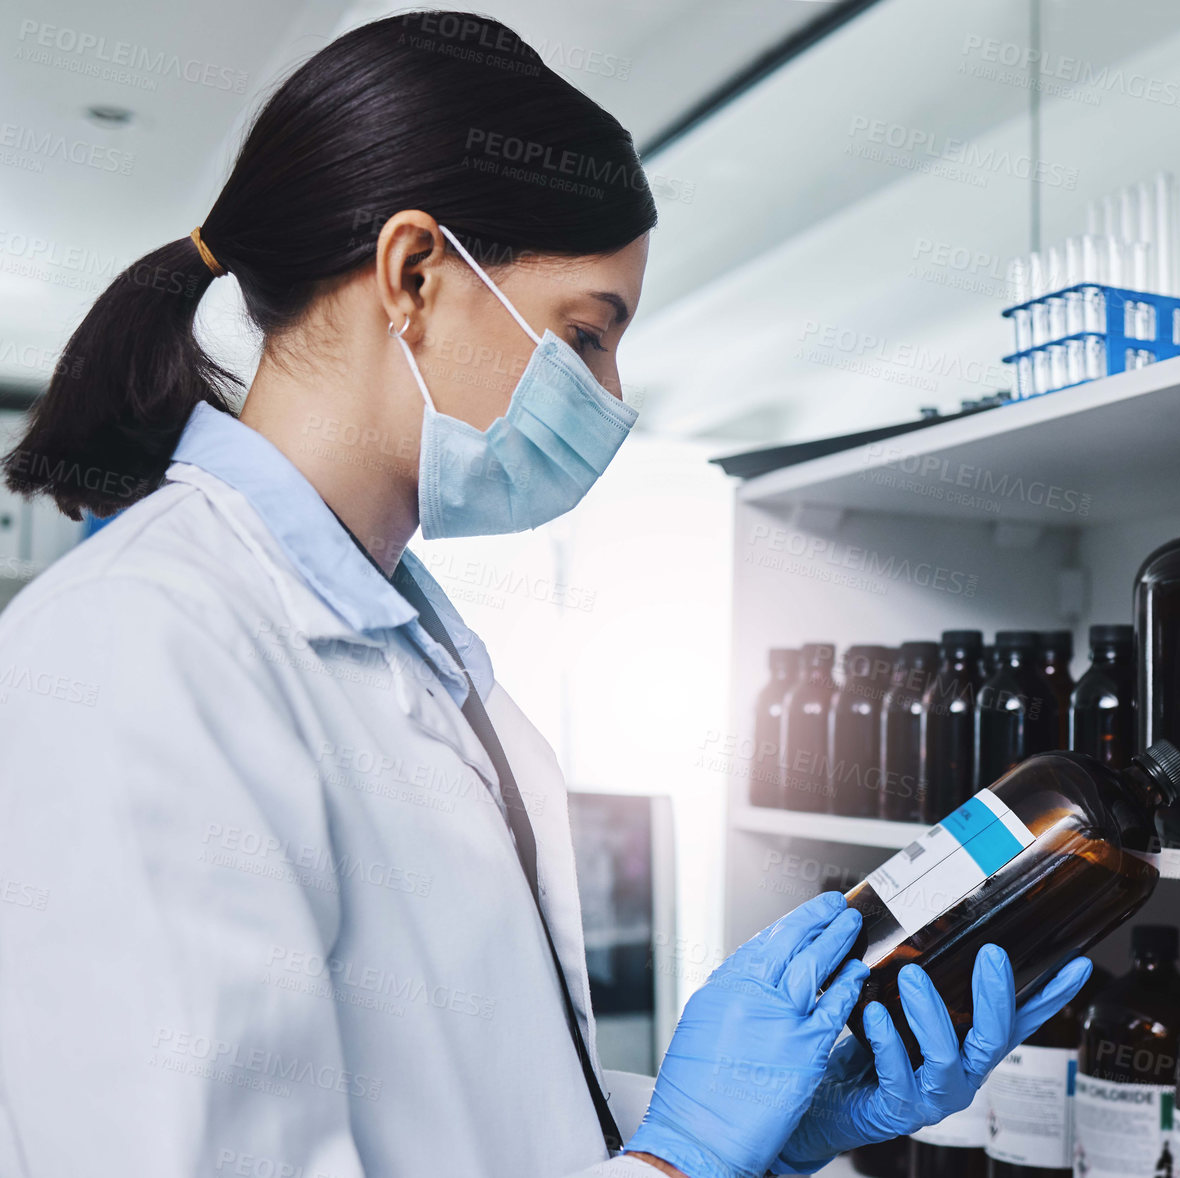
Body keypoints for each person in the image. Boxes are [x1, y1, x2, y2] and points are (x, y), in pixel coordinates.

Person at [0, 13, 1090, 1178]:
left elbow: (483, 1100)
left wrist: (770, 1121)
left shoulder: (421, 651)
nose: (612, 398)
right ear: (413, 273)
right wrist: (682, 1159)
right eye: (585, 335)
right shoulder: (137, 650)